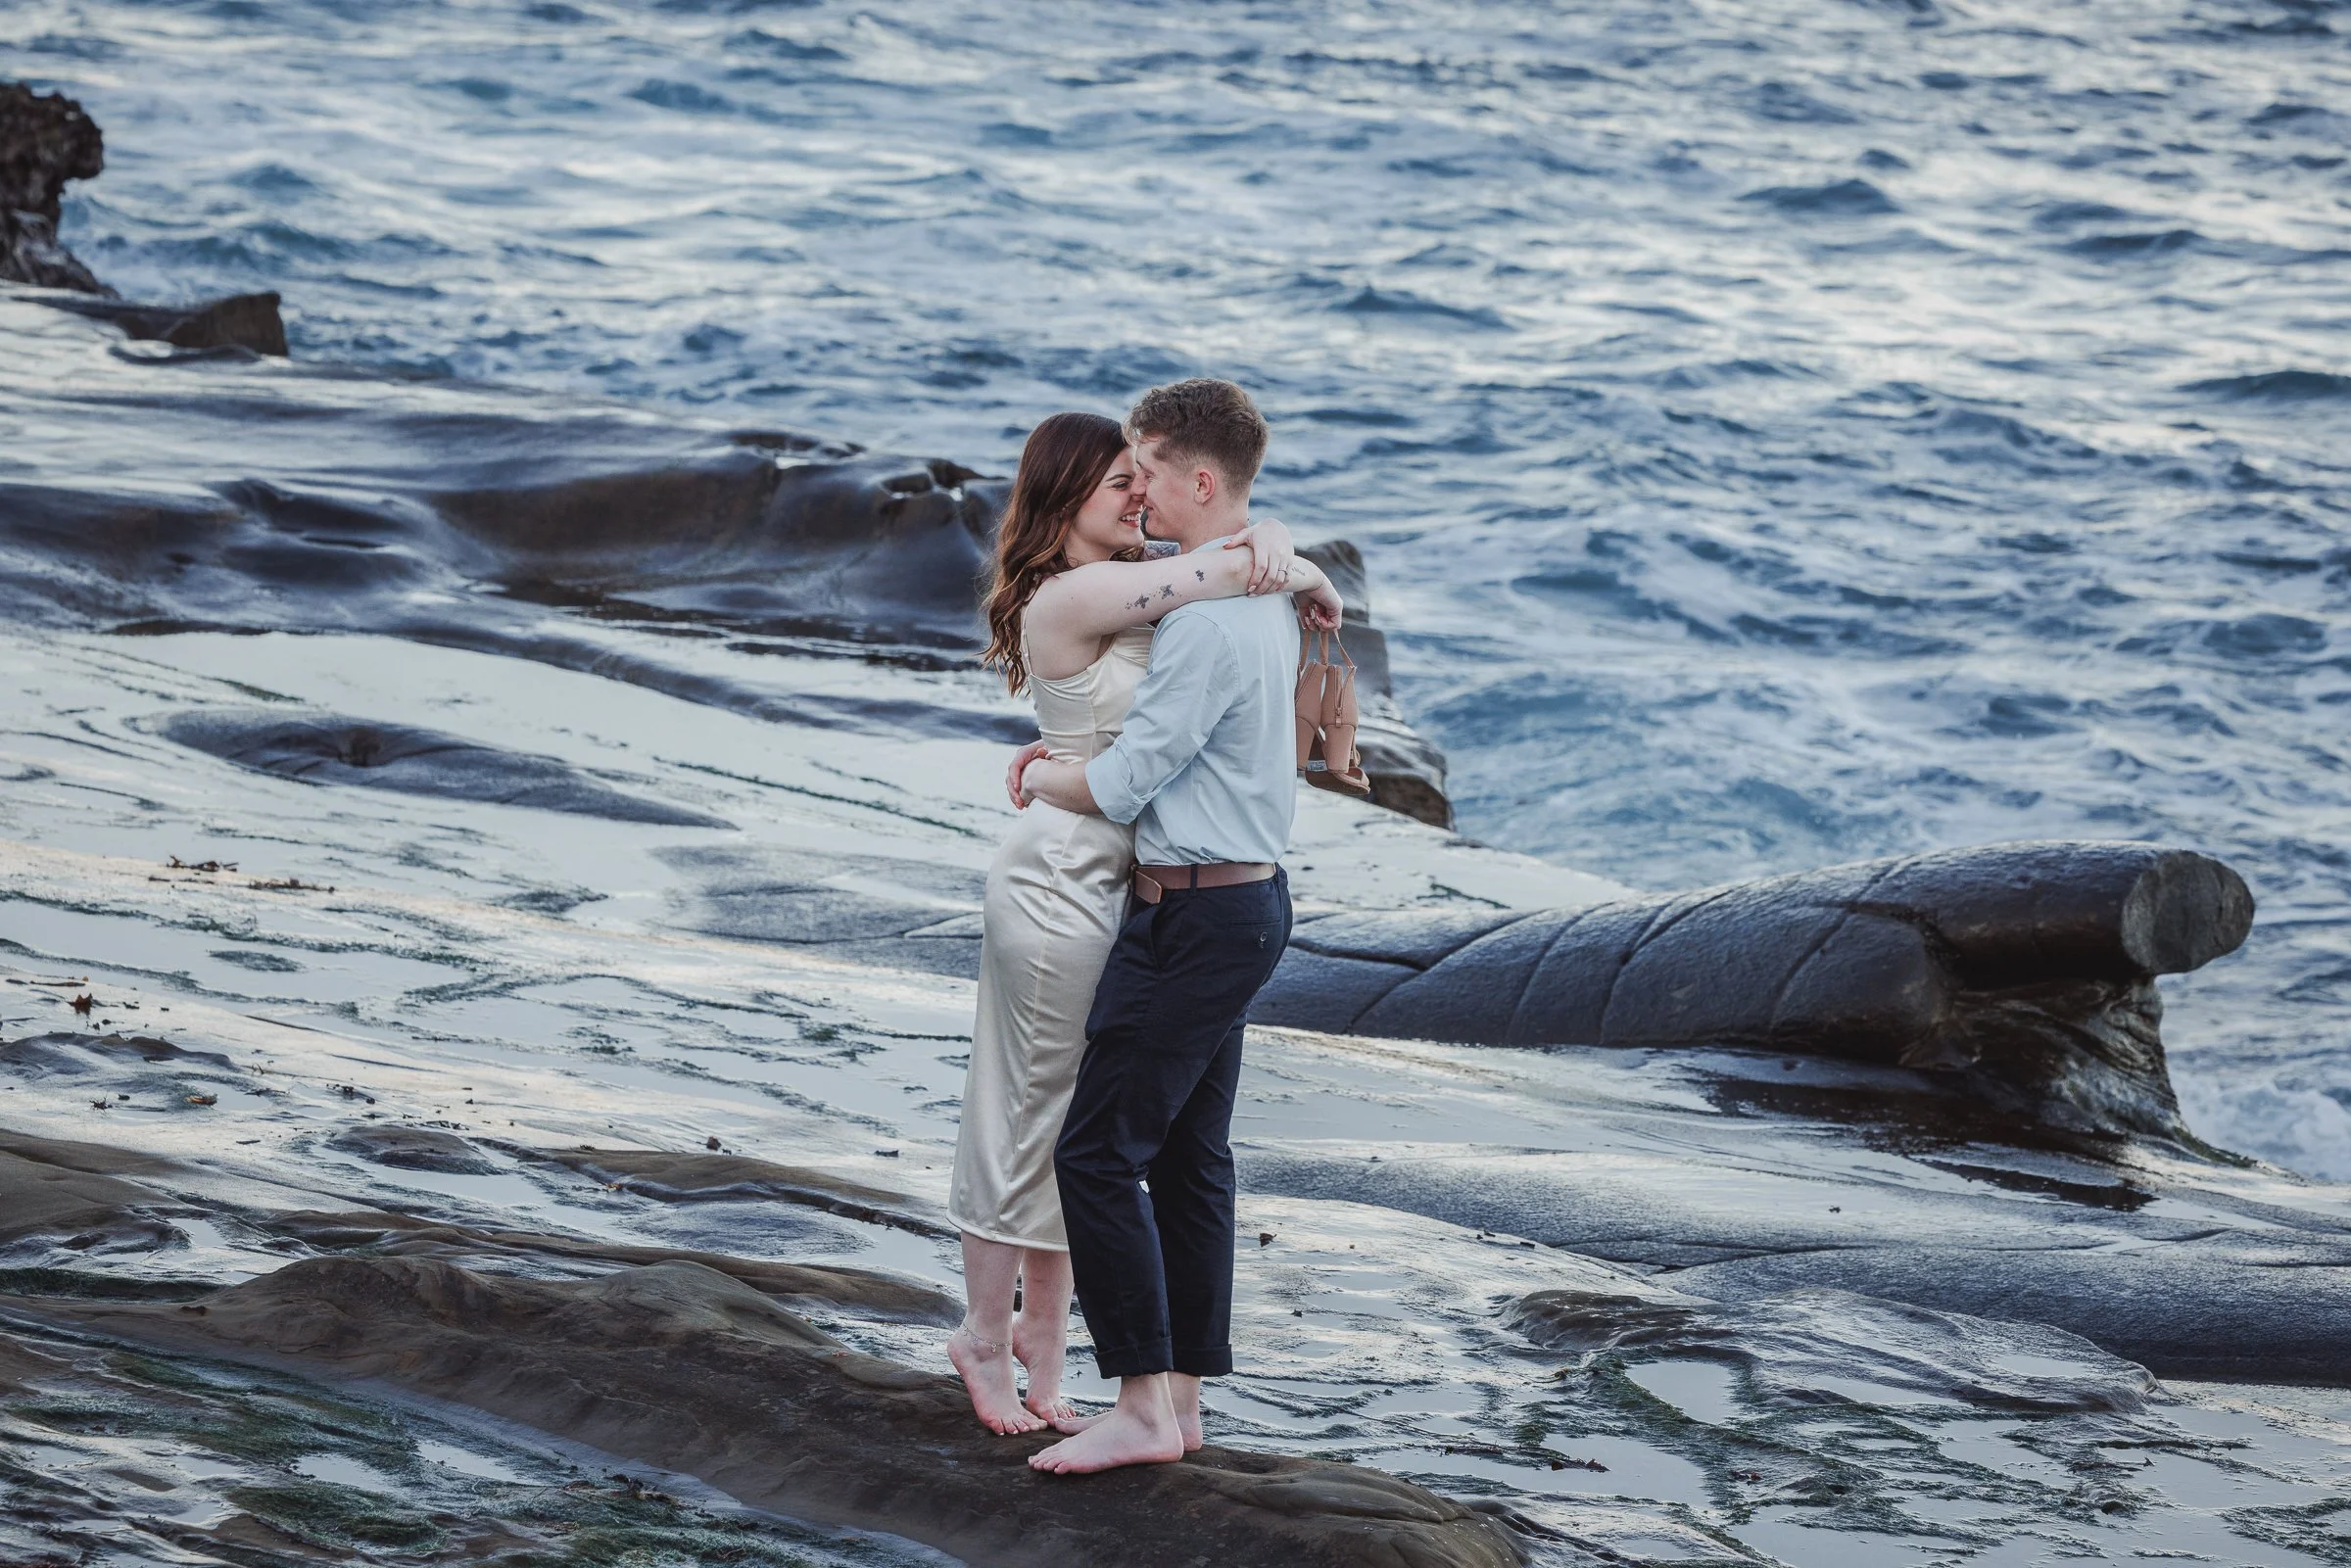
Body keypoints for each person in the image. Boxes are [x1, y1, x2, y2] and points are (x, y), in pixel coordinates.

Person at [946, 408, 1342, 1437]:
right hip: (1062, 878)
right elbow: (1222, 574)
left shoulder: (1142, 581)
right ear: (1065, 498)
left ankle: (1050, 1337)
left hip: (1131, 882)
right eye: (1117, 482)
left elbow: (1225, 568)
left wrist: (1288, 559)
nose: (1136, 497)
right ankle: (986, 1334)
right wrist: (1285, 559)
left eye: (1142, 478)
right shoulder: (1077, 591)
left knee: (1092, 1123)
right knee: (1034, 1116)